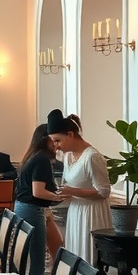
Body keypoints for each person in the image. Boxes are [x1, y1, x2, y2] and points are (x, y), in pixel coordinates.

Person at [47, 109, 111, 263]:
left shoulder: (92, 156)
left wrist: (73, 191)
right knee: (75, 252)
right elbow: (67, 186)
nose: (55, 146)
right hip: (76, 211)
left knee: (89, 257)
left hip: (92, 213)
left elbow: (104, 191)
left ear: (70, 134)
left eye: (57, 140)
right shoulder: (68, 156)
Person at [14, 124, 62, 275]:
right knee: (38, 259)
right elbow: (38, 192)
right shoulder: (42, 159)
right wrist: (59, 197)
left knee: (56, 246)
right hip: (32, 209)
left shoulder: (32, 155)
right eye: (54, 140)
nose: (56, 144)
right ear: (45, 140)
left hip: (24, 207)